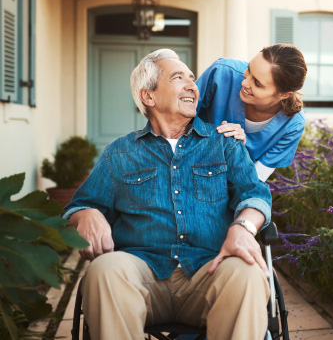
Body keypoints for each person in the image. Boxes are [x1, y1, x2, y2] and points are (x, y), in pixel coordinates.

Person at [63, 48, 273, 340]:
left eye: (191, 78)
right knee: (104, 269)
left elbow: (255, 194)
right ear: (148, 96)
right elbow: (81, 204)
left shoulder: (224, 143)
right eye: (178, 77)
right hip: (141, 277)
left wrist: (243, 228)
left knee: (247, 272)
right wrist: (85, 214)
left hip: (209, 272)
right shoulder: (120, 153)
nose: (192, 85)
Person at [196, 43, 307, 182]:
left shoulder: (293, 125)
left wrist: (238, 151)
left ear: (284, 95)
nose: (245, 83)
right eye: (249, 69)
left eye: (258, 83)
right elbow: (175, 119)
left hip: (225, 187)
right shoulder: (222, 72)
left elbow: (254, 180)